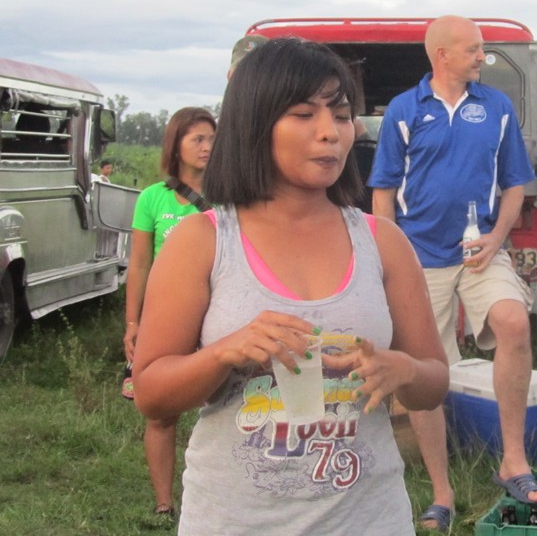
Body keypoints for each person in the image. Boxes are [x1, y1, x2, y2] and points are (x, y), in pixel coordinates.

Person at [132, 37, 447, 536]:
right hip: (235, 523)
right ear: (255, 124)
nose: (330, 133)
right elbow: (151, 394)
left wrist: (401, 369)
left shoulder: (382, 242)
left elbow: (434, 382)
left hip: (370, 520)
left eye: (341, 116)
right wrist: (225, 353)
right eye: (304, 114)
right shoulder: (202, 241)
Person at [369, 14, 537, 531]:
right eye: (473, 49)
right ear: (441, 54)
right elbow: (383, 191)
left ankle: (513, 462)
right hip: (419, 257)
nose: (482, 57)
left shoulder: (496, 106)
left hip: (479, 250)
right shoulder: (405, 109)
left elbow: (516, 185)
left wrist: (497, 238)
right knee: (428, 372)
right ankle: (442, 493)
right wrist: (391, 257)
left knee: (513, 321)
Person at [122, 106, 215, 519]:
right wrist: (133, 322)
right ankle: (164, 503)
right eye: (198, 139)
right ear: (176, 145)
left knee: (225, 404)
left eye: (212, 139)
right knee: (161, 412)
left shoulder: (230, 195)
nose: (207, 147)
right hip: (167, 318)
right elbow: (139, 264)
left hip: (216, 313)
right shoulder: (152, 198)